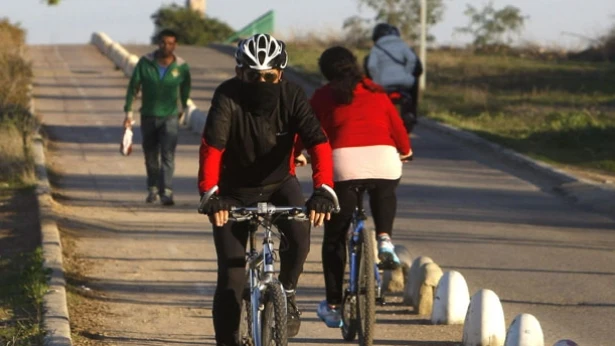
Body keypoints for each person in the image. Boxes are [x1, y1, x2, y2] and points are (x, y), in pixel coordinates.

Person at [197, 33, 338, 346]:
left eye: (268, 76)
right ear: (239, 73)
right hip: (232, 191)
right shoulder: (227, 96)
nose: (260, 81)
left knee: (300, 238)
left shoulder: (292, 95)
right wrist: (211, 195)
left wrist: (324, 189)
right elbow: (212, 147)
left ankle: (286, 292)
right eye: (252, 75)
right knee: (231, 276)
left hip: (279, 184)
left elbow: (318, 142)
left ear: (280, 75)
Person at [308, 46, 412, 328]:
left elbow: (308, 129)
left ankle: (332, 304)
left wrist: (299, 154)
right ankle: (385, 239)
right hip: (384, 159)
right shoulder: (376, 91)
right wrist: (405, 149)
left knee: (334, 238)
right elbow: (397, 126)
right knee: (385, 187)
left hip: (343, 165)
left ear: (326, 73)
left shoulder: (323, 96)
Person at [123, 29, 191, 206]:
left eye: (170, 43)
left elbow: (185, 90)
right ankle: (153, 188)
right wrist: (128, 113)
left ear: (175, 45)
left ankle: (167, 191)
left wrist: (182, 109)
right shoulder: (145, 63)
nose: (166, 46)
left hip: (170, 117)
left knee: (168, 155)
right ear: (158, 43)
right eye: (163, 42)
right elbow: (133, 87)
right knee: (151, 154)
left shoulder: (181, 67)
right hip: (148, 116)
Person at [364, 23, 423, 133]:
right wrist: (407, 73)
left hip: (383, 84)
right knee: (414, 85)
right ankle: (412, 112)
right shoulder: (402, 45)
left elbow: (371, 66)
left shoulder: (376, 48)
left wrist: (376, 81)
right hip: (404, 82)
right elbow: (412, 59)